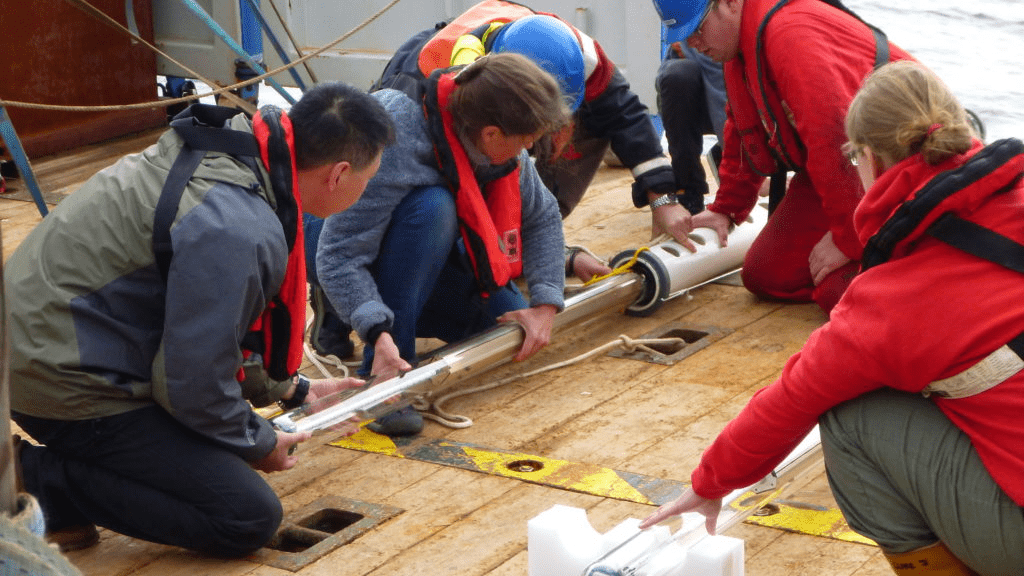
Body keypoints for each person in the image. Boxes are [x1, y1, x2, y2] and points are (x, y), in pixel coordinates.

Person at [640, 60, 1024, 575]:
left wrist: (709, 485)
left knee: (850, 415)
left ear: (867, 158)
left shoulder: (893, 299)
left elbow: (790, 400)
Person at [6, 82, 395, 555]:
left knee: (216, 453)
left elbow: (206, 336)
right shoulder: (238, 226)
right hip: (61, 376)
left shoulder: (233, 149)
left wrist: (293, 390)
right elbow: (191, 384)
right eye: (367, 178)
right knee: (244, 516)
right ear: (338, 174)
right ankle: (37, 474)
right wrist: (257, 440)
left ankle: (64, 498)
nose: (366, 188)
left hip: (51, 341)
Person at [313, 53, 569, 437]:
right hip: (339, 246)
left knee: (504, 327)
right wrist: (377, 333)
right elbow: (338, 256)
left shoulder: (501, 142)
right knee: (434, 208)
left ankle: (381, 315)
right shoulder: (395, 129)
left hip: (422, 256)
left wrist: (546, 303)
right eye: (527, 141)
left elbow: (543, 216)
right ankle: (386, 375)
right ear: (491, 135)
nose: (530, 148)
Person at [652, 0, 915, 314]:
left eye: (697, 28)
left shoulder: (790, 34)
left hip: (901, 158)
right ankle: (882, 269)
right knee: (768, 275)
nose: (691, 43)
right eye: (682, 35)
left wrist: (848, 240)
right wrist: (727, 209)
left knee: (838, 291)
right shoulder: (736, 46)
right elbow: (742, 125)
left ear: (731, 3)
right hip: (849, 167)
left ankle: (919, 282)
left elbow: (834, 140)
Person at [655, 38, 727, 216]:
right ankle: (688, 186)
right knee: (680, 75)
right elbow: (719, 94)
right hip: (691, 101)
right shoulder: (696, 30)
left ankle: (726, 155)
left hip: (735, 97)